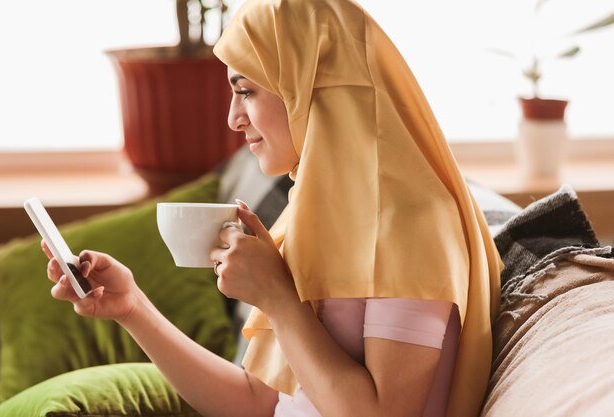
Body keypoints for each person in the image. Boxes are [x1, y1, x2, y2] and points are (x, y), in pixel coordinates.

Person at [42, 0, 502, 416]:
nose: (232, 118)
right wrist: (132, 307)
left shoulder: (411, 222)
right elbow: (259, 400)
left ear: (311, 87)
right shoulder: (312, 213)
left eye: (246, 91)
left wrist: (279, 299)